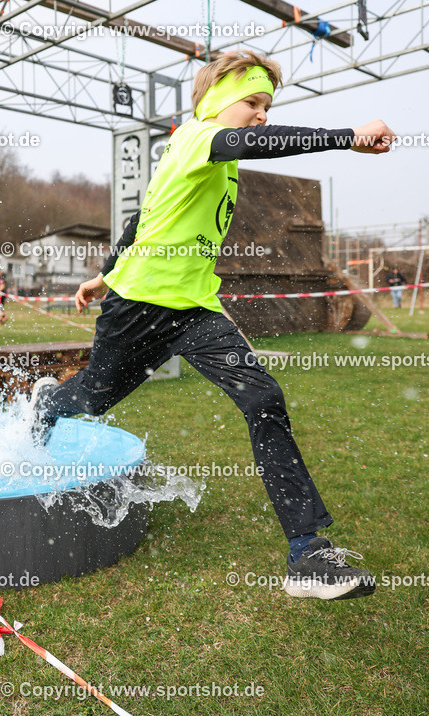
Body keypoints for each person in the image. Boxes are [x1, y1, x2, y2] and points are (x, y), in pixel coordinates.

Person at [29, 49, 396, 602]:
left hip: (196, 310)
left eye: (268, 105)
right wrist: (348, 135)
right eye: (253, 101)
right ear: (218, 97)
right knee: (90, 400)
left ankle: (308, 554)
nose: (262, 114)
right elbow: (251, 141)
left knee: (262, 396)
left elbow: (143, 216)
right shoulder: (197, 137)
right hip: (137, 312)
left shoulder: (211, 165)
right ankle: (43, 409)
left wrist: (101, 274)